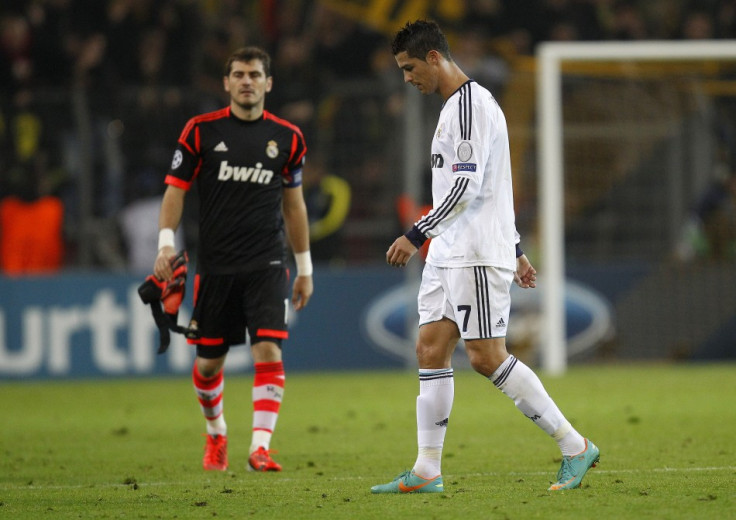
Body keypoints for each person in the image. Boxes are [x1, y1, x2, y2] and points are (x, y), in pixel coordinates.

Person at [372, 20, 599, 494]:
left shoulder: (471, 106)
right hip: (450, 253)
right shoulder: (455, 108)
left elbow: (467, 187)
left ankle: (574, 445)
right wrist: (516, 247)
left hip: (473, 252)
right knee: (431, 349)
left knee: (486, 357)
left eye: (410, 68)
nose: (407, 78)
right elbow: (498, 185)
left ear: (434, 57)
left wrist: (416, 233)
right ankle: (427, 470)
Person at [153, 46, 313, 472]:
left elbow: (294, 206)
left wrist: (305, 268)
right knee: (208, 367)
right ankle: (217, 432)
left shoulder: (288, 138)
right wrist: (165, 244)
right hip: (217, 267)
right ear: (226, 83)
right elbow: (175, 189)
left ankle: (260, 447)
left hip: (267, 263)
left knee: (268, 353)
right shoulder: (200, 131)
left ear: (268, 83)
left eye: (255, 75)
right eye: (239, 74)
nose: (247, 81)